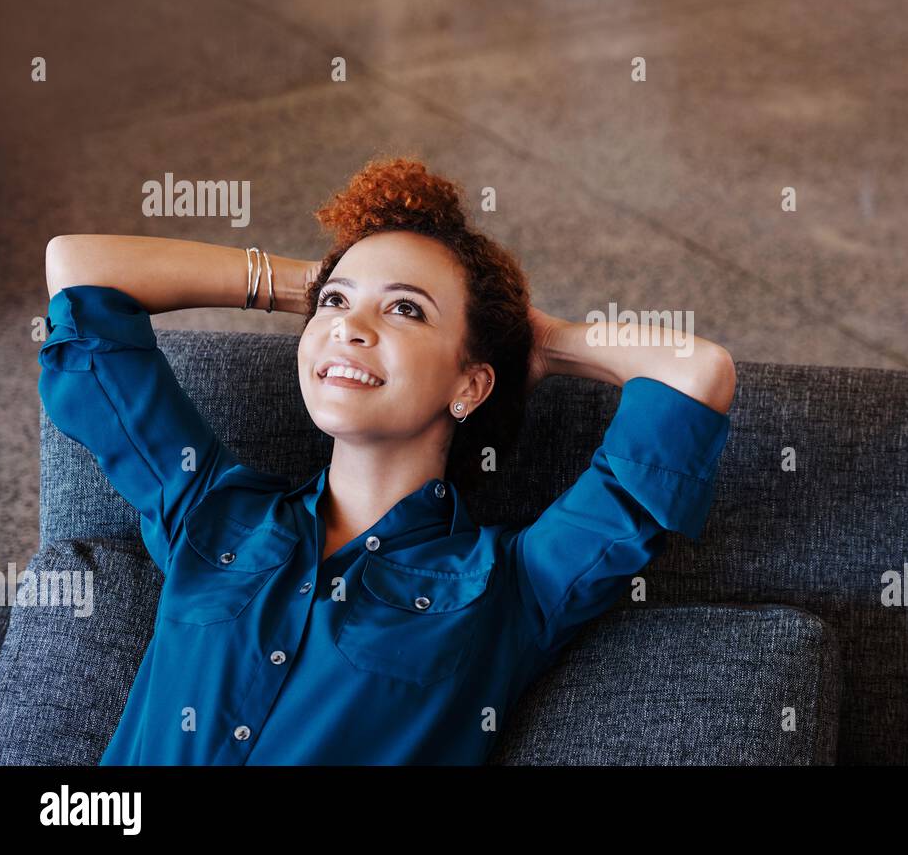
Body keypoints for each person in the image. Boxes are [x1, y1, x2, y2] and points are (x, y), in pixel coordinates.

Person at [39, 156, 736, 765]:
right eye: (337, 305)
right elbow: (79, 269)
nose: (350, 326)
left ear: (471, 384)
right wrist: (312, 285)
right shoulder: (212, 511)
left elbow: (696, 373)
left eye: (407, 310)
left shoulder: (511, 587)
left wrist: (538, 338)